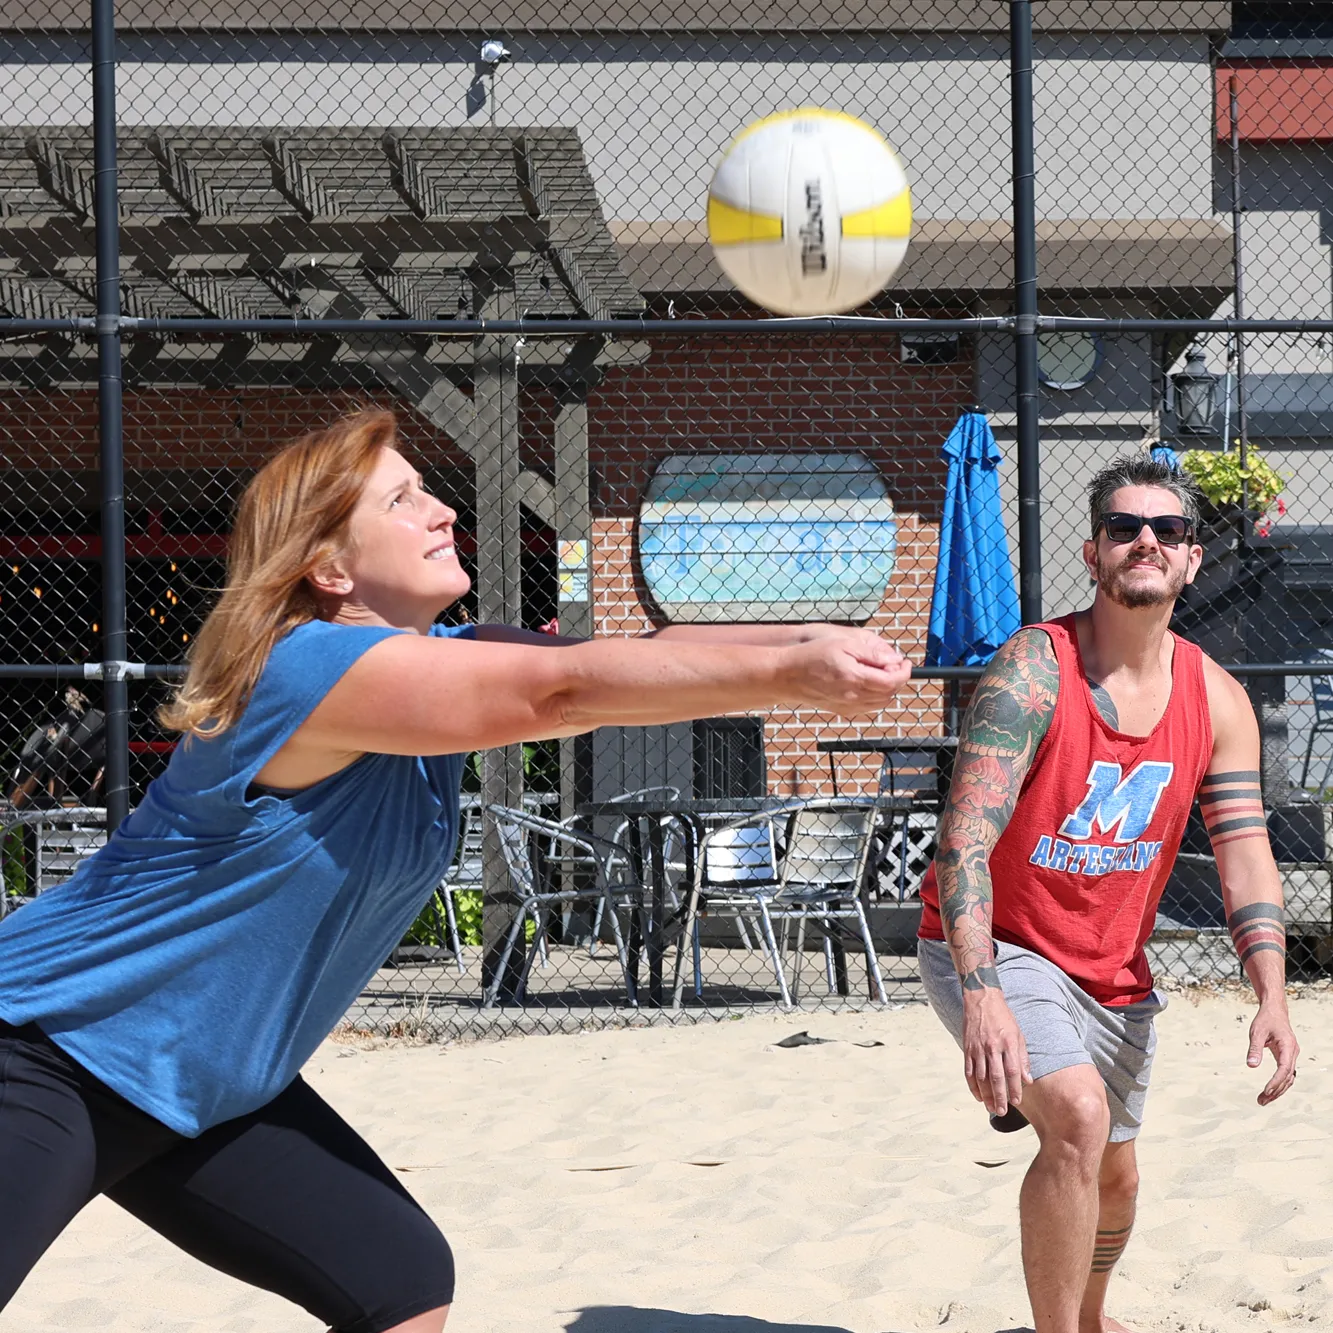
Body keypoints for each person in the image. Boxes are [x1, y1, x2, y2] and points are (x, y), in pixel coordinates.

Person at [0, 409, 912, 1331]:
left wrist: (809, 636)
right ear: (329, 569)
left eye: (424, 487)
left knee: (398, 1278)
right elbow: (556, 691)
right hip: (48, 1048)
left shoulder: (449, 657)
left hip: (204, 1084)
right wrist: (795, 675)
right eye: (401, 499)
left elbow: (618, 663)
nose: (439, 510)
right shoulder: (306, 667)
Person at [916, 454, 1299, 1333]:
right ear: (1091, 554)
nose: (1145, 541)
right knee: (1080, 1120)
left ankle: (1086, 1317)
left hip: (1109, 966)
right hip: (994, 940)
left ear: (1192, 559)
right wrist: (983, 1000)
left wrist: (1271, 992)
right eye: (1124, 527)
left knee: (1117, 1173)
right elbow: (963, 841)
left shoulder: (1217, 698)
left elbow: (1243, 852)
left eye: (1166, 529)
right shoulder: (1033, 671)